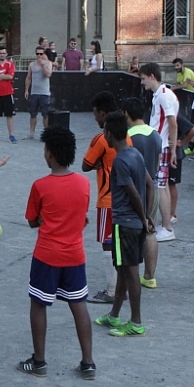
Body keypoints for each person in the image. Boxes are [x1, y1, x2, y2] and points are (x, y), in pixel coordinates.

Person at [16, 126, 95, 379]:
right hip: (75, 255)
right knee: (79, 304)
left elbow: (31, 221)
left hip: (47, 255)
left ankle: (38, 362)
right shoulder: (83, 183)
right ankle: (88, 363)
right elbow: (81, 218)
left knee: (39, 304)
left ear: (49, 154)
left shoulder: (40, 185)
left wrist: (43, 219)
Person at [95, 111, 155, 337]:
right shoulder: (135, 154)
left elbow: (132, 193)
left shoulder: (119, 161)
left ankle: (136, 322)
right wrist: (147, 217)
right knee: (122, 270)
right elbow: (148, 185)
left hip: (125, 224)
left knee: (130, 274)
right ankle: (113, 315)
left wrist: (142, 218)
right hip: (135, 224)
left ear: (109, 134)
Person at [83, 92, 126, 305]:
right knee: (120, 244)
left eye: (96, 115)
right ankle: (121, 286)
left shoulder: (101, 139)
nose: (95, 120)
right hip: (125, 198)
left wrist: (98, 162)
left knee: (107, 244)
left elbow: (85, 165)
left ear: (102, 113)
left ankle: (111, 291)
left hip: (107, 200)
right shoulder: (127, 136)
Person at [122, 98, 162, 291]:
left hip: (133, 188)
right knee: (150, 230)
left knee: (128, 231)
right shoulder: (156, 135)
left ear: (126, 114)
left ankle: (128, 276)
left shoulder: (127, 136)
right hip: (153, 187)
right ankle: (150, 276)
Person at [139, 63, 179, 244]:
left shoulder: (163, 96)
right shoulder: (161, 95)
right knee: (162, 185)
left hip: (161, 146)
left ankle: (167, 228)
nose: (142, 82)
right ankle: (166, 225)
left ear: (151, 76)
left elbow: (172, 122)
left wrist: (172, 150)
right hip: (161, 145)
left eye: (143, 78)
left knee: (160, 186)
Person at [167, 114, 194, 225]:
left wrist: (181, 143)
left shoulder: (174, 115)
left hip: (175, 154)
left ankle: (171, 213)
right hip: (167, 152)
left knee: (171, 183)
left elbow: (193, 130)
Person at [0, 45, 17, 143]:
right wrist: (4, 76)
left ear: (7, 54)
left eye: (4, 53)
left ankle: (11, 135)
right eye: (0, 53)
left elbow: (10, 76)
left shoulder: (10, 64)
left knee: (9, 115)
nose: (2, 55)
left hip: (8, 93)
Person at [24, 46, 52, 139]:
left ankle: (46, 132)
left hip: (44, 93)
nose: (39, 56)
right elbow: (28, 77)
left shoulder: (48, 63)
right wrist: (27, 90)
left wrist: (42, 64)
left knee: (45, 114)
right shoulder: (32, 64)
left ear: (44, 54)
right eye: (37, 54)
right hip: (34, 92)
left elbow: (48, 74)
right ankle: (31, 133)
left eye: (41, 53)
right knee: (33, 114)